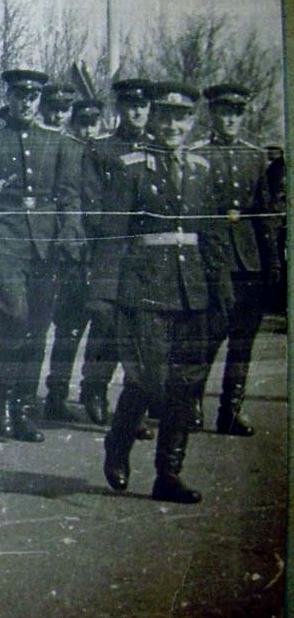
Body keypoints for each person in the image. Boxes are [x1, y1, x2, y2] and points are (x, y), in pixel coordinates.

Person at [101, 81, 231, 504]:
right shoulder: (130, 168)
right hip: (144, 288)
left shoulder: (200, 169)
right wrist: (104, 295)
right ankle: (118, 442)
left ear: (192, 122)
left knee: (185, 383)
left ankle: (168, 474)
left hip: (191, 289)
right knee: (148, 377)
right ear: (153, 120)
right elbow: (111, 236)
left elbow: (211, 235)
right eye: (165, 117)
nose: (173, 126)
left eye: (182, 118)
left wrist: (221, 288)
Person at [0, 69, 83, 442]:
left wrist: (69, 234)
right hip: (3, 240)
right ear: (8, 97)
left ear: (39, 100)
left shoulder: (56, 142)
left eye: (32, 97)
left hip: (44, 243)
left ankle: (23, 407)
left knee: (38, 327)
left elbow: (69, 195)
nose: (26, 103)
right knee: (14, 318)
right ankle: (2, 402)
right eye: (19, 96)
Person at [189, 83, 281, 435]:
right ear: (212, 115)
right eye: (224, 113)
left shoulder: (254, 156)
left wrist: (271, 260)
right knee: (207, 337)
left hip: (249, 261)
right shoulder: (198, 154)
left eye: (236, 113)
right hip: (213, 260)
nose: (230, 120)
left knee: (243, 343)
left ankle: (230, 411)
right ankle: (192, 405)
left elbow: (265, 213)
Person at [80, 79, 154, 425]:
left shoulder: (159, 149)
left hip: (148, 251)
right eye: (130, 105)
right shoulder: (101, 149)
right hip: (111, 249)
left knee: (143, 326)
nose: (136, 112)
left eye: (142, 106)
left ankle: (133, 405)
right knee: (107, 321)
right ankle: (94, 388)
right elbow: (91, 201)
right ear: (119, 108)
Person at [41, 98, 103, 421]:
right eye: (82, 123)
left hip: (101, 250)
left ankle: (93, 393)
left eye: (94, 123)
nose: (88, 130)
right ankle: (56, 394)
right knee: (69, 327)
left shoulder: (104, 153)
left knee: (103, 326)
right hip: (73, 251)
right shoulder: (64, 150)